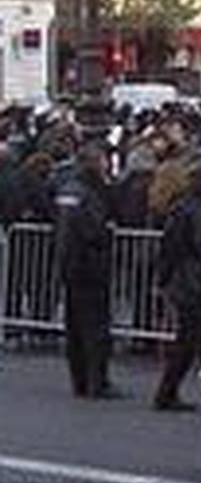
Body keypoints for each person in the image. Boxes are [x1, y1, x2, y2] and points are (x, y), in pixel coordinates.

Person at [152, 158, 201, 411]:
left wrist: (163, 277)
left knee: (189, 342)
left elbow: (169, 249)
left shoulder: (181, 209)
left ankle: (166, 393)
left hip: (184, 282)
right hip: (196, 283)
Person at [55, 142, 118, 399]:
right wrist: (108, 230)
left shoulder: (67, 190)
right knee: (95, 327)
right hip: (91, 265)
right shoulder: (92, 193)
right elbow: (94, 230)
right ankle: (96, 381)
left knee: (75, 327)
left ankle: (79, 380)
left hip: (69, 264)